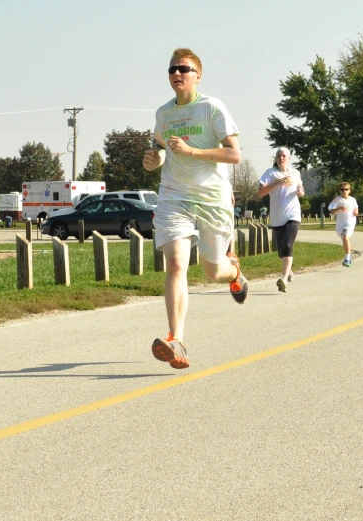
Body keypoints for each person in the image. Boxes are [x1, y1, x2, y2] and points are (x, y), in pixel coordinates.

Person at [142, 47, 246, 370]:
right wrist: (154, 159)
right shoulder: (163, 114)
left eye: (183, 69)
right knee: (175, 265)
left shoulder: (211, 109)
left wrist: (191, 151)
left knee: (213, 270)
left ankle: (235, 272)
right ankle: (177, 340)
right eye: (172, 69)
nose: (176, 74)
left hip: (211, 198)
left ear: (197, 75)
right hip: (174, 197)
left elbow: (234, 155)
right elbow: (161, 150)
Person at [258, 147, 304, 292]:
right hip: (277, 217)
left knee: (288, 244)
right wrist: (277, 182)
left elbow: (301, 190)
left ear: (289, 158)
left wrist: (300, 192)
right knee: (280, 250)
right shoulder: (270, 173)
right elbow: (260, 193)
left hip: (293, 214)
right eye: (279, 156)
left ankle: (284, 280)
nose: (281, 158)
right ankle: (288, 270)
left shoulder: (295, 173)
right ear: (276, 159)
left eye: (284, 156)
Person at [327, 182, 359, 267]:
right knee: (344, 240)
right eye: (342, 189)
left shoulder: (352, 199)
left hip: (350, 222)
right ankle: (348, 257)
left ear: (349, 190)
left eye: (346, 189)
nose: (344, 191)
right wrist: (339, 208)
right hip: (341, 223)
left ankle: (347, 259)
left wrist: (356, 211)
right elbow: (331, 211)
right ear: (339, 191)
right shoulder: (337, 200)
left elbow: (356, 206)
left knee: (345, 238)